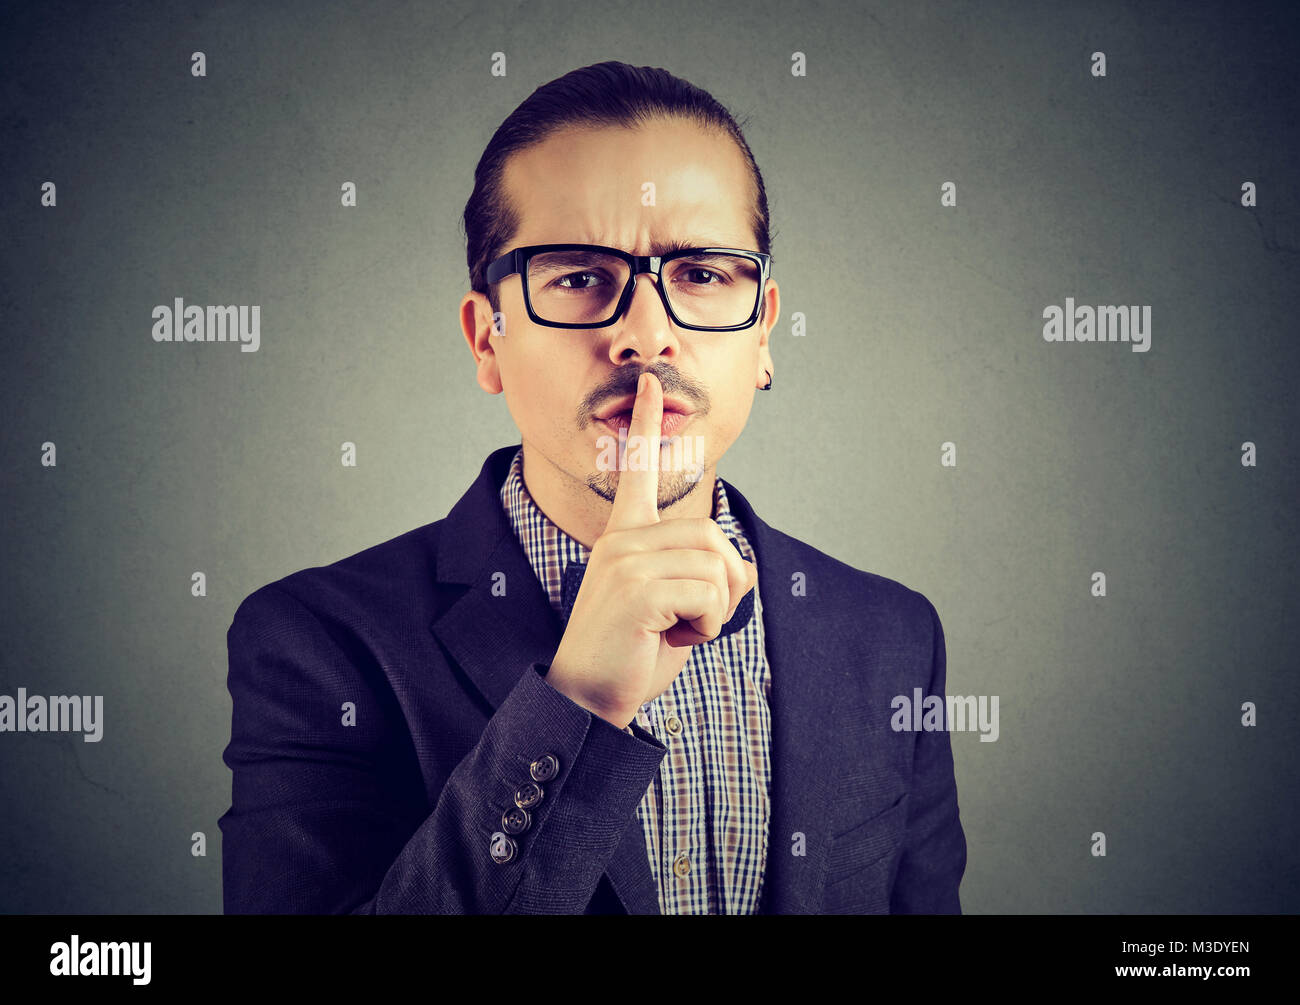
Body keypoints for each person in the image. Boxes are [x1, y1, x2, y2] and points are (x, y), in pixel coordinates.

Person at [218, 61, 966, 914]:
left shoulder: (892, 636)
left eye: (703, 274)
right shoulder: (315, 643)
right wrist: (575, 704)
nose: (647, 335)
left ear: (762, 332)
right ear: (486, 339)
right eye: (577, 277)